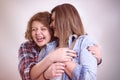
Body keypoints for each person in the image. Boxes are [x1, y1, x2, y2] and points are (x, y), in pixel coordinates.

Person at [18, 7, 102, 80]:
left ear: (51, 31)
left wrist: (96, 59)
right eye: (33, 29)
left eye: (43, 29)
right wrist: (51, 59)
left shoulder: (66, 42)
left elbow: (81, 45)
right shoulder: (27, 47)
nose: (37, 33)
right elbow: (27, 76)